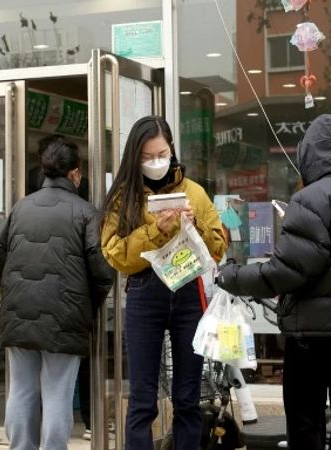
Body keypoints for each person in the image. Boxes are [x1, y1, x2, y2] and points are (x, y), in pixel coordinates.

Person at [217, 114, 331, 450]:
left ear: (307, 152)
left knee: (305, 421)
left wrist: (231, 276)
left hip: (312, 335)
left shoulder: (311, 198)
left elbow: (285, 271)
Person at [101, 116, 225, 450]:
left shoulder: (194, 192)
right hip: (144, 293)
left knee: (188, 396)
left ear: (172, 149)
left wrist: (192, 223)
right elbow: (115, 254)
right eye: (148, 156)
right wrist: (158, 229)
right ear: (135, 157)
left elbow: (219, 245)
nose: (157, 162)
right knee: (142, 399)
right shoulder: (123, 197)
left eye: (163, 153)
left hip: (189, 293)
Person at [0, 137, 113, 450]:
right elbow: (102, 273)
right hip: (65, 316)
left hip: (19, 312)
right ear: (75, 174)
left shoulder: (20, 208)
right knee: (57, 392)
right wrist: (87, 305)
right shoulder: (87, 213)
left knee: (20, 389)